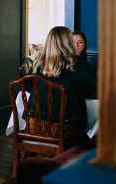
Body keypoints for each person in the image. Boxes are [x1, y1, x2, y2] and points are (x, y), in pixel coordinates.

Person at [25, 26, 96, 157]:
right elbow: (95, 89)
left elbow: (26, 87)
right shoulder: (78, 63)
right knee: (92, 141)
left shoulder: (38, 62)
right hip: (63, 128)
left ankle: (40, 160)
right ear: (68, 42)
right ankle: (61, 166)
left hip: (33, 126)